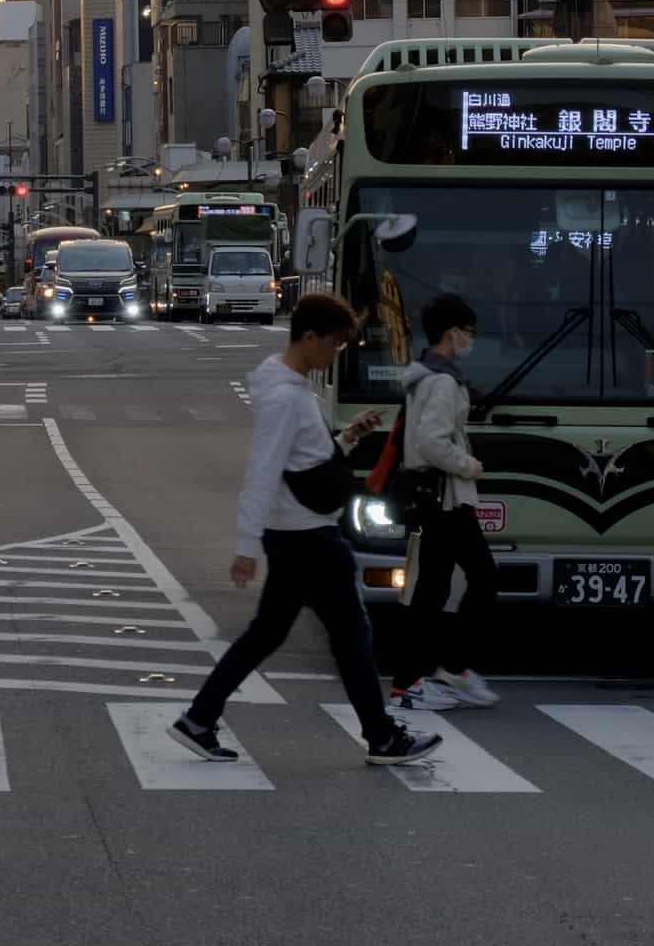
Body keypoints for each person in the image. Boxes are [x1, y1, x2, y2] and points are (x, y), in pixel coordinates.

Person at [171, 293, 442, 767]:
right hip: (309, 538)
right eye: (334, 345)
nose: (334, 355)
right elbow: (263, 470)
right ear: (309, 337)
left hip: (298, 534)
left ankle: (198, 719)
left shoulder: (292, 392)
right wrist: (244, 545)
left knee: (269, 635)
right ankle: (382, 737)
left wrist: (348, 437)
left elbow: (303, 461)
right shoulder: (284, 399)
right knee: (351, 637)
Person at [388, 293, 504, 713]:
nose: (470, 339)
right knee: (482, 578)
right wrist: (468, 465)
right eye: (468, 332)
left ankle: (413, 680)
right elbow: (433, 441)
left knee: (431, 590)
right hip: (447, 498)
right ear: (451, 332)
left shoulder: (425, 375)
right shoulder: (442, 381)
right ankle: (448, 669)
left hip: (434, 498)